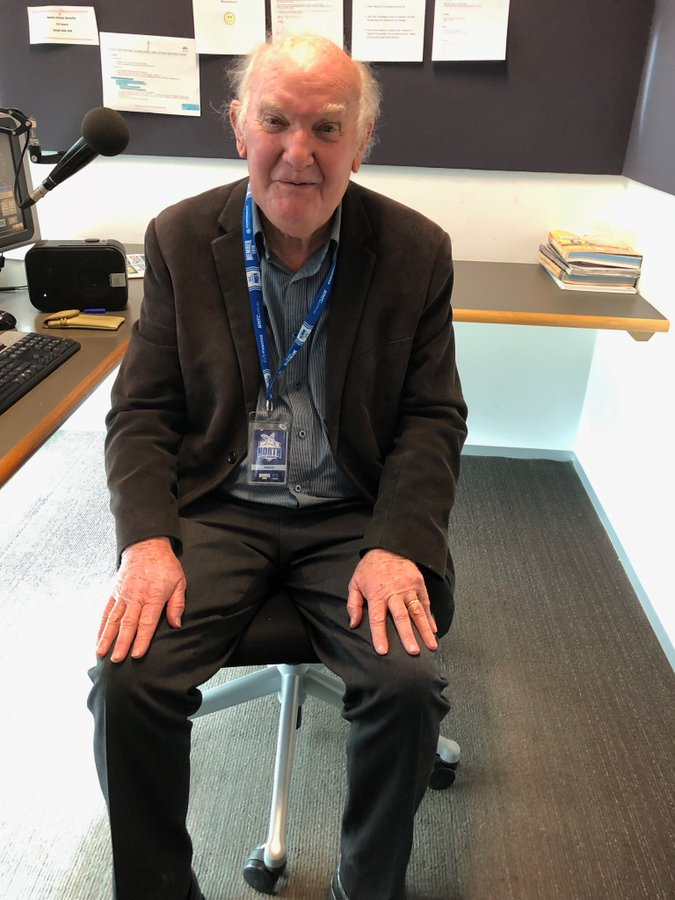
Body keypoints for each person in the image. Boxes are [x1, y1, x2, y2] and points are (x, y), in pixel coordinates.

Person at [88, 32, 468, 900]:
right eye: (275, 122)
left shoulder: (415, 250)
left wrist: (398, 543)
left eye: (327, 128)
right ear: (238, 127)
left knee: (406, 684)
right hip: (219, 505)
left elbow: (431, 417)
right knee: (128, 678)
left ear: (360, 143)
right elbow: (143, 412)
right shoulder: (181, 238)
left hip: (351, 513)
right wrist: (145, 542)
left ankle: (366, 887)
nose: (299, 152)